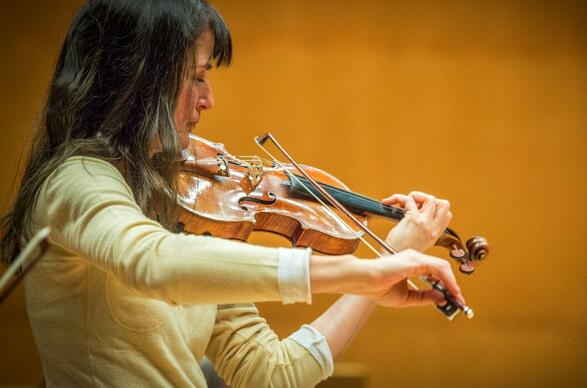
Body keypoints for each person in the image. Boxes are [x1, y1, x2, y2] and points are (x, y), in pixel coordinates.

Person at [0, 1, 464, 387]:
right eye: (196, 76)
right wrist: (358, 271)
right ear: (138, 78)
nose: (209, 99)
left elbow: (269, 373)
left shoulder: (184, 201)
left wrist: (382, 272)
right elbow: (153, 263)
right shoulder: (76, 179)